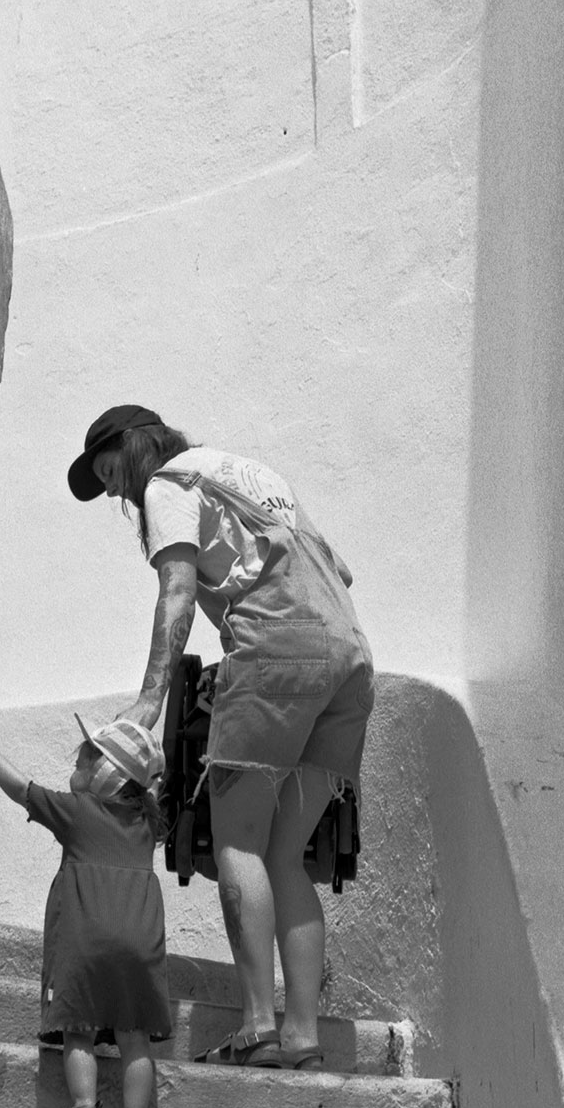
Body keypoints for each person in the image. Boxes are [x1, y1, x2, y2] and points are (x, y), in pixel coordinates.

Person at [67, 405, 373, 1069]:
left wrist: (151, 699)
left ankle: (258, 1026)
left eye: (113, 471)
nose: (119, 492)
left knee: (238, 840)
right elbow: (339, 569)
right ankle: (301, 1036)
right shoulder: (251, 475)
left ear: (138, 447)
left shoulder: (168, 485)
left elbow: (177, 593)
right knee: (286, 855)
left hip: (276, 653)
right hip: (348, 658)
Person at [0, 716, 172, 1108]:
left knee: (79, 1031)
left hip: (85, 941)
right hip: (139, 943)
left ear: (102, 775)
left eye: (85, 760)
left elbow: (21, 789)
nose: (78, 765)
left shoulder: (77, 813)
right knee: (134, 1034)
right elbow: (151, 780)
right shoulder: (146, 822)